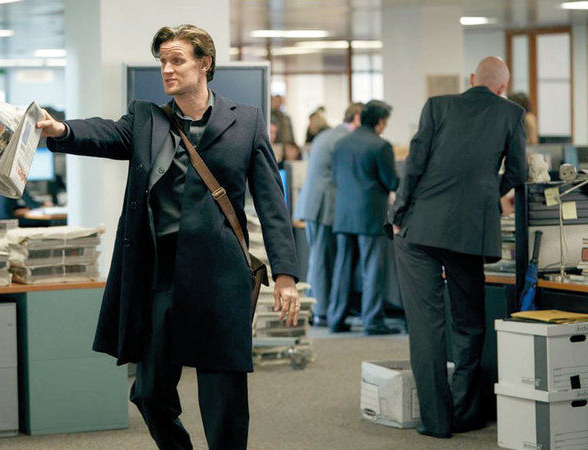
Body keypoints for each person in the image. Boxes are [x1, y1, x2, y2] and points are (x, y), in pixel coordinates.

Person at [36, 24, 299, 449]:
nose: (167, 69)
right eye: (163, 61)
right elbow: (105, 133)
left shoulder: (246, 121)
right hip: (161, 277)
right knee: (149, 392)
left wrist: (285, 274)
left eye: (177, 60)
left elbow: (272, 204)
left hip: (219, 277)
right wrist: (61, 129)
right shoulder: (148, 120)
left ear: (205, 64)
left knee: (224, 399)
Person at [387, 56, 526, 438]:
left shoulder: (437, 106)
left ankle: (436, 421)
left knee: (426, 327)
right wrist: (486, 197)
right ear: (502, 88)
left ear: (471, 79)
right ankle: (465, 413)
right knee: (468, 322)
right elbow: (517, 173)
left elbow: (414, 164)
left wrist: (399, 213)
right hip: (468, 233)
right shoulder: (512, 114)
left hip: (420, 229)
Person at [328, 100, 400, 335]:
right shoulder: (381, 146)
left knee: (342, 268)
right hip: (369, 215)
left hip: (344, 215)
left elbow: (336, 178)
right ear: (379, 121)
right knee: (372, 269)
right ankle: (372, 321)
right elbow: (392, 182)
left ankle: (336, 318)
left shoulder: (341, 144)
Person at [293, 102, 363, 326]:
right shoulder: (344, 139)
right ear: (358, 118)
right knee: (322, 259)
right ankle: (320, 311)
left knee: (318, 257)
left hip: (313, 203)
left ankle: (317, 309)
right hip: (324, 205)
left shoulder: (328, 135)